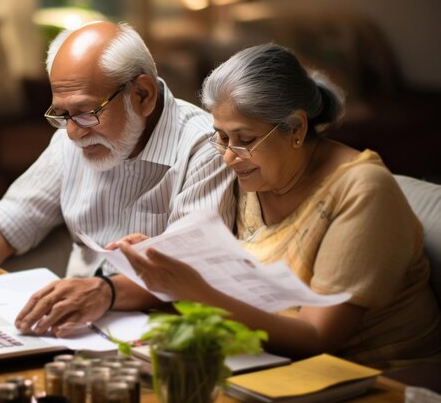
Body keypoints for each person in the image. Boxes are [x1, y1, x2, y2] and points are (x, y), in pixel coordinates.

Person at [105, 43, 441, 369]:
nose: (227, 156)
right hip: (269, 364)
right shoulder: (249, 175)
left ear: (295, 128)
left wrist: (194, 291)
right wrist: (156, 262)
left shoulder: (362, 190)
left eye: (245, 139)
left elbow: (316, 338)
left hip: (376, 379)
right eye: (221, 136)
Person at [0, 21, 235, 336]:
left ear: (143, 95)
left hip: (164, 333)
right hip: (73, 325)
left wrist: (106, 291)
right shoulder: (72, 134)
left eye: (86, 112)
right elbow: (17, 214)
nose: (74, 133)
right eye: (62, 114)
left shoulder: (206, 148)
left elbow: (191, 270)